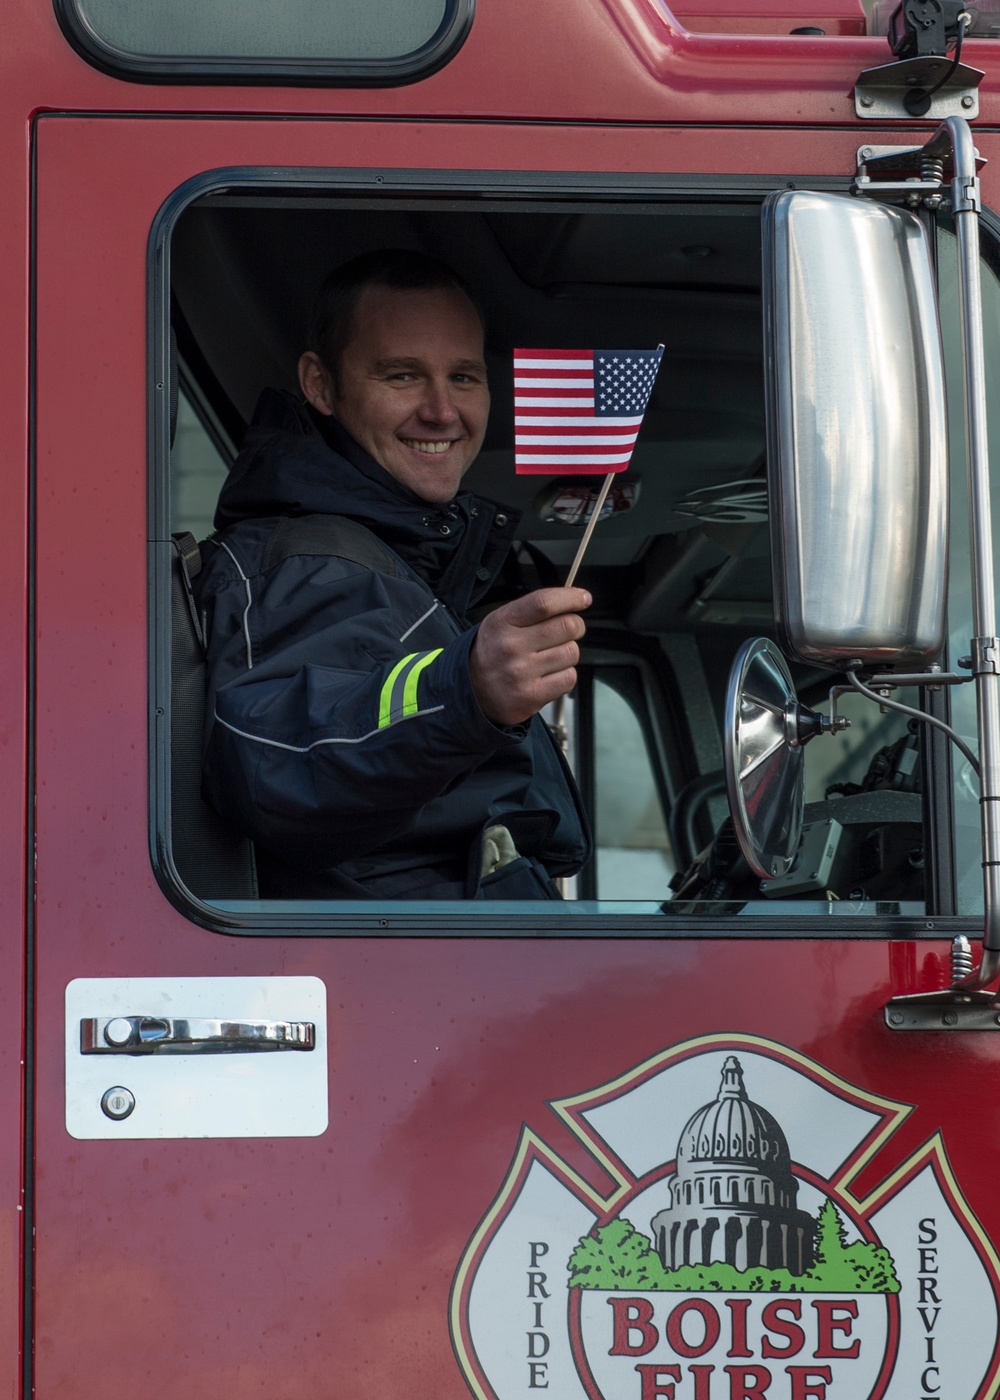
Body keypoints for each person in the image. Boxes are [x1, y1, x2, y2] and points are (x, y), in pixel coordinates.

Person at [193, 249, 592, 899]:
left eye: (463, 377)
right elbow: (282, 762)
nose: (441, 411)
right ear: (321, 385)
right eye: (403, 376)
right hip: (398, 986)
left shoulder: (396, 561)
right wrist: (464, 689)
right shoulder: (310, 563)